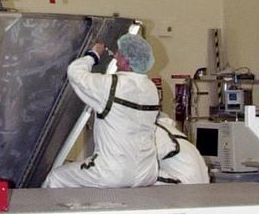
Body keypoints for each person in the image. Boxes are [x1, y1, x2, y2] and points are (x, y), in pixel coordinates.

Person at [43, 33, 160, 188]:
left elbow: (75, 72)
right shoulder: (151, 89)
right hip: (147, 171)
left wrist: (94, 55)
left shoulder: (111, 86)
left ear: (126, 61)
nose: (116, 55)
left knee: (56, 177)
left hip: (113, 172)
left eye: (119, 53)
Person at [154, 113, 210, 185]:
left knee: (142, 176)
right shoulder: (167, 129)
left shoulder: (154, 132)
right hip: (203, 183)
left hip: (186, 186)